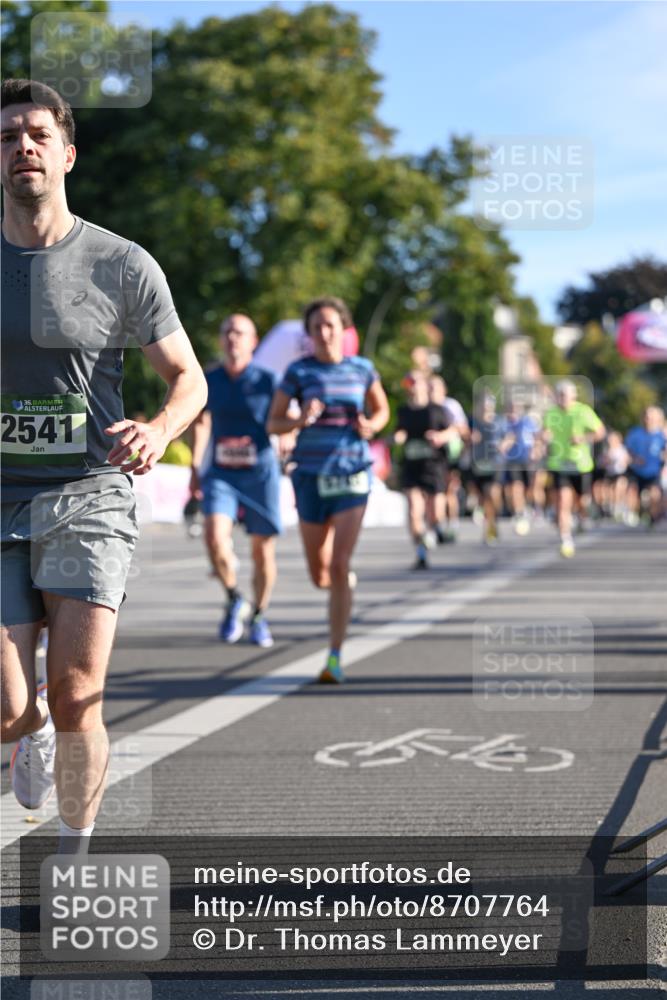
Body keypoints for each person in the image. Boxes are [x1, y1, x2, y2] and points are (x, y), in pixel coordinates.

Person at [0, 80, 207, 853]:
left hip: (88, 497)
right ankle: (32, 729)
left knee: (79, 689)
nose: (22, 145)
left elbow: (190, 379)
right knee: (12, 706)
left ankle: (74, 848)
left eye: (37, 134)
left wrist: (158, 427)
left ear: (67, 153)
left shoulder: (121, 265)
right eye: (8, 135)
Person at [267, 296, 389, 683]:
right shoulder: (298, 372)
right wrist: (299, 419)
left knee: (339, 564)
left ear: (343, 330)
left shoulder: (362, 369)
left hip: (352, 473)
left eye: (330, 325)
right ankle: (340, 584)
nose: (323, 332)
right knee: (320, 574)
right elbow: (272, 423)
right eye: (316, 326)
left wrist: (372, 425)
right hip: (310, 477)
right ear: (309, 334)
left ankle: (334, 656)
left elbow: (382, 411)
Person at [190, 314, 281, 646]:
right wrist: (194, 468)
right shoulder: (209, 379)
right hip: (222, 473)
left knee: (262, 552)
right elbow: (200, 423)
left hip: (260, 472)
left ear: (253, 341)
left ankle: (259, 615)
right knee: (214, 537)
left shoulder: (269, 381)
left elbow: (285, 419)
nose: (233, 338)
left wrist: (289, 439)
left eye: (240, 333)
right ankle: (233, 597)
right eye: (227, 332)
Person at [395, 374, 454, 569]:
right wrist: (398, 437)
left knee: (436, 513)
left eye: (414, 382)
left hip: (433, 465)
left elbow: (453, 430)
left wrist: (440, 437)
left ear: (423, 386)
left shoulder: (437, 410)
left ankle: (433, 530)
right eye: (407, 383)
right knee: (414, 510)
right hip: (412, 464)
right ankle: (421, 553)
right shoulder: (404, 411)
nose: (410, 387)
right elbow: (400, 430)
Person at [542, 380, 605, 557]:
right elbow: (545, 431)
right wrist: (544, 436)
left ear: (573, 396)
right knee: (563, 501)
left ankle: (581, 517)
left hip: (581, 465)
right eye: (559, 395)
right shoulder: (552, 412)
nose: (562, 399)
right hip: (559, 464)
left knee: (581, 502)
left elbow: (600, 432)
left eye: (565, 395)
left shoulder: (583, 411)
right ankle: (566, 540)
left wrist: (584, 438)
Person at [427, 376, 469, 543]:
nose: (431, 391)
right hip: (431, 456)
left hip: (451, 453)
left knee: (449, 490)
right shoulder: (425, 406)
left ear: (443, 390)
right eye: (429, 388)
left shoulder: (450, 405)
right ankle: (438, 525)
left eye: (435, 388)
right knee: (436, 491)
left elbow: (463, 429)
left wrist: (449, 435)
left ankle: (452, 523)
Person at [498, 400, 540, 536]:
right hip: (512, 460)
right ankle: (519, 512)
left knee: (530, 487)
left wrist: (536, 450)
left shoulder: (527, 422)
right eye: (511, 408)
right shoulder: (505, 423)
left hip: (527, 459)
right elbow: (502, 439)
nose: (513, 411)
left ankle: (530, 506)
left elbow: (537, 437)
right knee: (515, 486)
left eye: (515, 408)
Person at [469, 394, 504, 545]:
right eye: (483, 404)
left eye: (489, 404)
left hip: (494, 463)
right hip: (477, 464)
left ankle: (494, 521)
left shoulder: (499, 421)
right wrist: (469, 437)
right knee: (483, 499)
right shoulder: (473, 422)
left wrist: (503, 445)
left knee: (493, 494)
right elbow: (463, 435)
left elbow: (510, 436)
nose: (486, 407)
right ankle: (489, 528)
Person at [625, 406, 666, 527]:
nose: (649, 420)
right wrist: (635, 458)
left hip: (654, 471)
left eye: (652, 417)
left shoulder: (662, 435)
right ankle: (635, 512)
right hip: (637, 470)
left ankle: (652, 517)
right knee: (632, 490)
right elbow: (627, 448)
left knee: (655, 495)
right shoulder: (635, 433)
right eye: (647, 417)